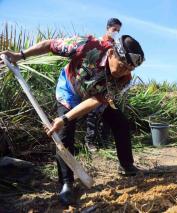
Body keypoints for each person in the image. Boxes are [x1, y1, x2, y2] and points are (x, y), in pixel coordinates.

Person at [0, 34, 144, 205]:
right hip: (70, 89)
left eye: (129, 69)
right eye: (122, 66)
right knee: (64, 135)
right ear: (112, 53)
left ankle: (126, 165)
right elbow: (49, 45)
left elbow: (96, 101)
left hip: (94, 97)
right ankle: (66, 183)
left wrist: (65, 118)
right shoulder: (88, 46)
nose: (124, 72)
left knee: (120, 123)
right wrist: (20, 55)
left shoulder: (124, 78)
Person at [85, 18, 123, 152]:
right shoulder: (99, 43)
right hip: (96, 81)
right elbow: (90, 62)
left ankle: (104, 141)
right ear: (108, 28)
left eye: (118, 31)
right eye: (114, 30)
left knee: (107, 111)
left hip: (110, 83)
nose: (116, 33)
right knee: (93, 112)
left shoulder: (118, 46)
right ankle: (90, 142)